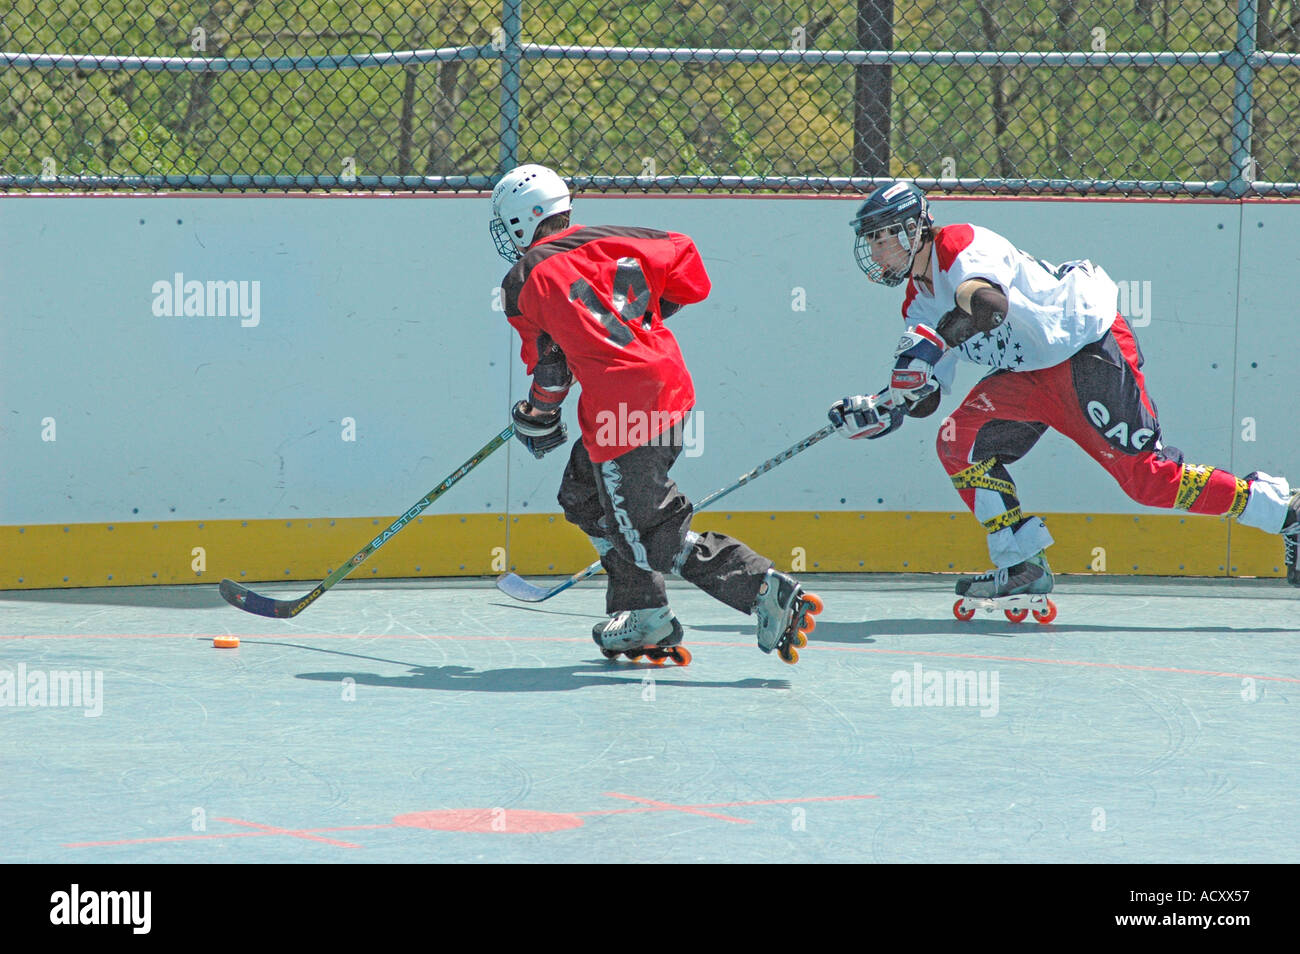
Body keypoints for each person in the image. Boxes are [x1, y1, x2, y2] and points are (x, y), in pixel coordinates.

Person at [828, 180, 1300, 597]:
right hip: (1028, 374)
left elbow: (989, 306)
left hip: (1084, 349)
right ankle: (1021, 562)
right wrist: (882, 406)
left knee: (1148, 481)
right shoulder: (916, 303)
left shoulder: (961, 243)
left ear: (913, 230)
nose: (874, 250)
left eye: (880, 236)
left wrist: (930, 349)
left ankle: (1283, 511)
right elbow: (926, 398)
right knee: (957, 443)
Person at [491, 163, 820, 664]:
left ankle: (760, 588)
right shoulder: (621, 235)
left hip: (623, 406)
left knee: (649, 528)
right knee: (584, 496)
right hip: (666, 385)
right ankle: (644, 613)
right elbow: (690, 276)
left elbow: (551, 374)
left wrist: (534, 415)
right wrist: (624, 324)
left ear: (520, 220)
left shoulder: (523, 277)